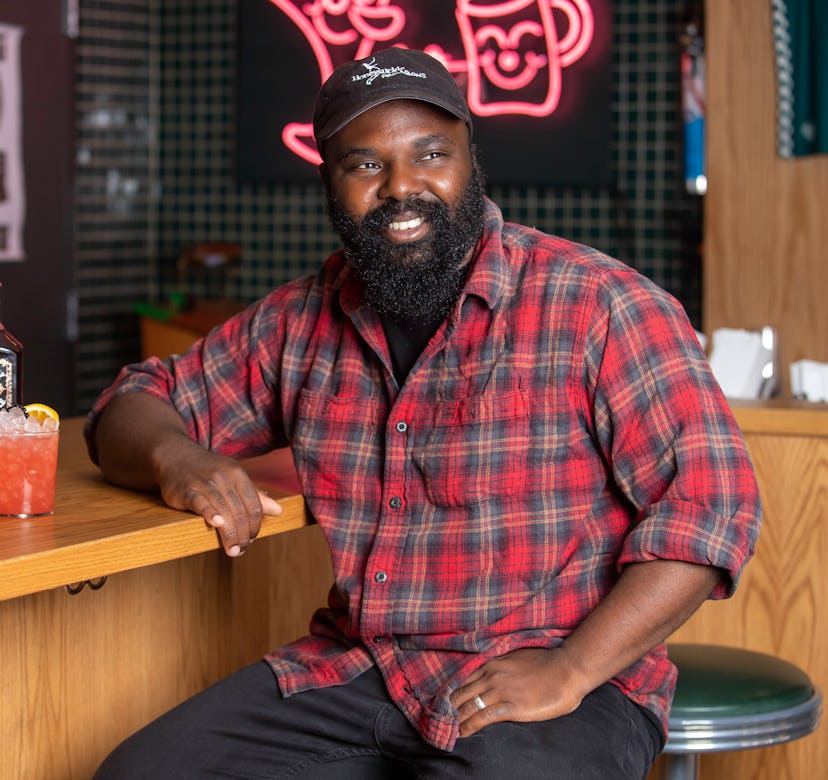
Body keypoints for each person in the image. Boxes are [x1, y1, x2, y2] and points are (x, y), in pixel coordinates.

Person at [87, 47, 761, 779]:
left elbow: (710, 509)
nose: (401, 186)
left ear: (473, 158)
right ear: (329, 181)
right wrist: (177, 458)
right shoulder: (298, 320)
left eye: (431, 153)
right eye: (365, 164)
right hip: (362, 670)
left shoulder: (601, 304)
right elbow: (129, 402)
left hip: (560, 679)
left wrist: (571, 667)